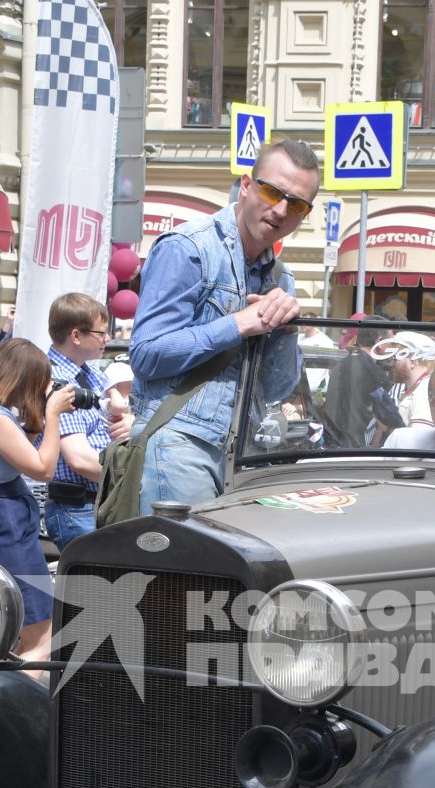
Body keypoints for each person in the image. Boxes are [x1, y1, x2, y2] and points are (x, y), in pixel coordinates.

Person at [129, 138, 317, 513]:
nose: (281, 210)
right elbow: (146, 355)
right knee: (185, 572)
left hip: (245, 456)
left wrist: (286, 332)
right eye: (271, 190)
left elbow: (276, 388)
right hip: (179, 441)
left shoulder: (282, 279)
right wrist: (238, 324)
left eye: (296, 204)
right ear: (247, 186)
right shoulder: (188, 248)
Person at [0, 340, 79, 661]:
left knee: (5, 632)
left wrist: (35, 420)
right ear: (23, 379)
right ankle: (21, 708)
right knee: (41, 637)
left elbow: (10, 453)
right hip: (8, 525)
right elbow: (43, 468)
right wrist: (52, 414)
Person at [41, 292, 114, 549]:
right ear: (76, 336)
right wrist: (131, 478)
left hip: (93, 504)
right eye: (101, 333)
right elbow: (79, 459)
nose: (108, 339)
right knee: (92, 588)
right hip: (77, 507)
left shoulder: (91, 373)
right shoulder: (55, 379)